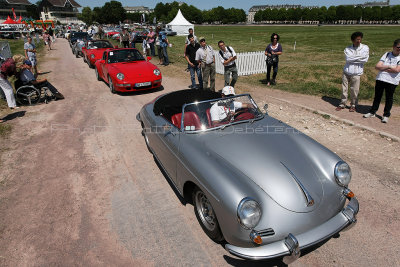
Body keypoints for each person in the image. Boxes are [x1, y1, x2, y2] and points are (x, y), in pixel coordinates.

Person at [363, 39, 400, 123]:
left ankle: (386, 115)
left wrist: (384, 67)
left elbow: (397, 70)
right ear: (394, 47)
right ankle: (372, 112)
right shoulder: (387, 54)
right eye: (398, 47)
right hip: (381, 78)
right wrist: (390, 66)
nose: (399, 49)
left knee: (389, 98)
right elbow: (377, 66)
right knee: (377, 96)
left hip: (392, 81)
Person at [336, 32, 369, 112]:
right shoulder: (347, 49)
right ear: (352, 40)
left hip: (357, 73)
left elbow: (365, 60)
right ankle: (342, 103)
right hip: (347, 71)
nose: (359, 41)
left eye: (360, 39)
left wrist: (353, 58)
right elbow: (348, 59)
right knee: (344, 89)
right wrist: (359, 58)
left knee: (354, 90)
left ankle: (353, 105)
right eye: (357, 39)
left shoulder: (365, 48)